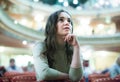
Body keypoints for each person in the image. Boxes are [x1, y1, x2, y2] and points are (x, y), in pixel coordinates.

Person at [32, 9, 83, 82]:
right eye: (61, 20)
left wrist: (76, 47)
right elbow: (44, 73)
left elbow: (76, 78)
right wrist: (69, 76)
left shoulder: (75, 50)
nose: (67, 23)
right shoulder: (40, 46)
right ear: (52, 25)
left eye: (69, 21)